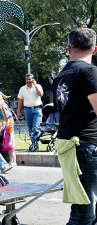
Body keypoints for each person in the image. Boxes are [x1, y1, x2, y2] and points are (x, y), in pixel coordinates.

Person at [52, 28, 97, 225]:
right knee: (84, 215)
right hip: (86, 145)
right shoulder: (89, 71)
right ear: (95, 50)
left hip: (70, 144)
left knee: (86, 210)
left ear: (69, 47)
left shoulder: (60, 75)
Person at [17, 74, 44, 150]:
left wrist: (35, 85)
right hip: (27, 110)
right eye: (27, 79)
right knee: (30, 128)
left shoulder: (38, 86)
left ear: (33, 79)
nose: (28, 81)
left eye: (29, 79)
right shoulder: (22, 89)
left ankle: (35, 143)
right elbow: (19, 101)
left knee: (36, 127)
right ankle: (34, 143)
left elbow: (41, 94)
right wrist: (18, 112)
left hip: (37, 109)